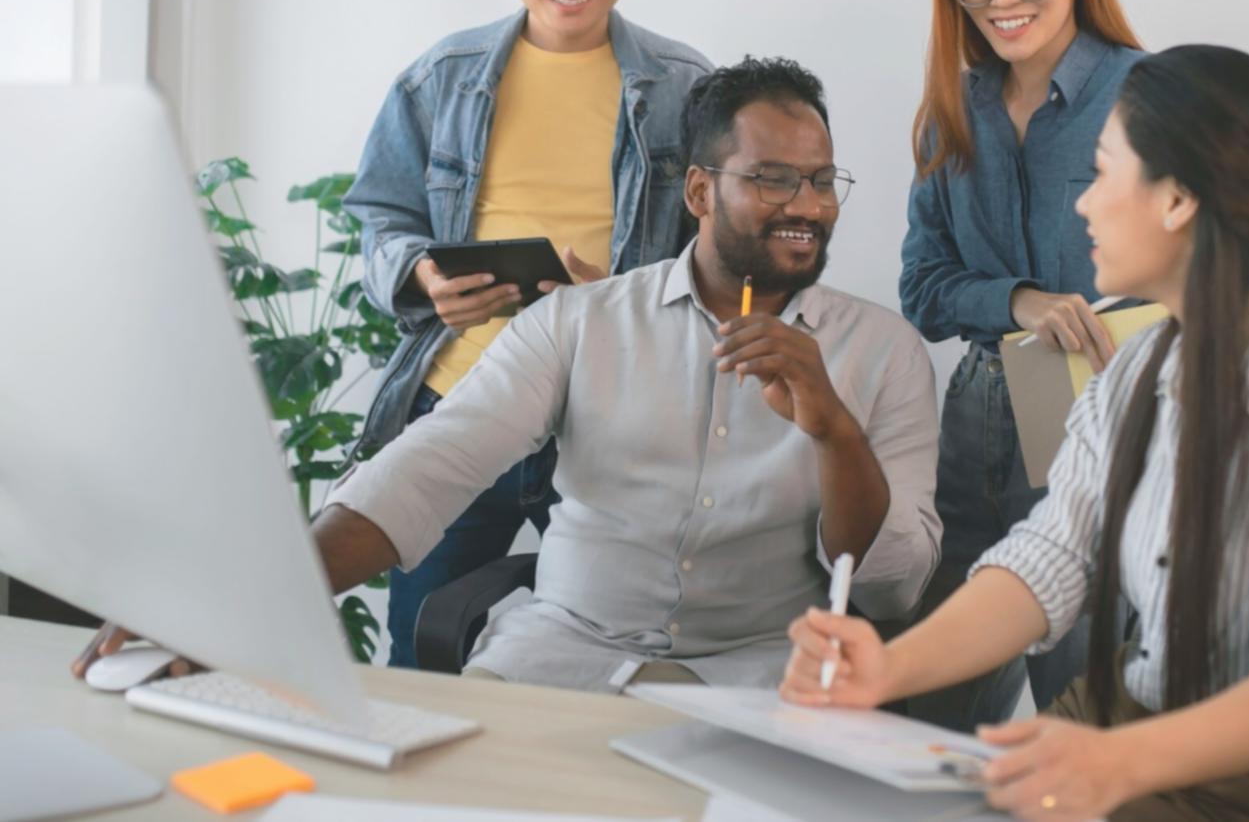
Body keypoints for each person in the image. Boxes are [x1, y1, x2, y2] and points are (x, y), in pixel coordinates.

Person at [783, 45, 1249, 822]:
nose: (1084, 205)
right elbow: (1052, 557)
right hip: (1130, 722)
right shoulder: (1138, 365)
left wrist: (1115, 762)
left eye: (1103, 174)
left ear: (1176, 200)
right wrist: (885, 668)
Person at [169, 57, 933, 690]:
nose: (807, 205)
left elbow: (892, 581)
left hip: (761, 678)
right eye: (773, 179)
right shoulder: (580, 321)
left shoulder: (885, 351)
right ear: (699, 191)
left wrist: (834, 429)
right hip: (561, 659)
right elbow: (429, 465)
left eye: (821, 180)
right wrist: (247, 608)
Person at [898, 0, 1249, 728]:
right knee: (935, 704)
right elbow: (922, 287)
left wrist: (1219, 317)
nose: (1002, 0)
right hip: (979, 420)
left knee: (1080, 699)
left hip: (1107, 406)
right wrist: (1023, 301)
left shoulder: (1148, 93)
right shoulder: (951, 109)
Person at [342, 0, 712, 667]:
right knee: (422, 652)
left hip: (611, 413)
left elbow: (720, 254)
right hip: (459, 399)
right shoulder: (443, 76)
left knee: (618, 651)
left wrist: (623, 294)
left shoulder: (687, 89)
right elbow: (377, 214)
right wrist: (421, 274)